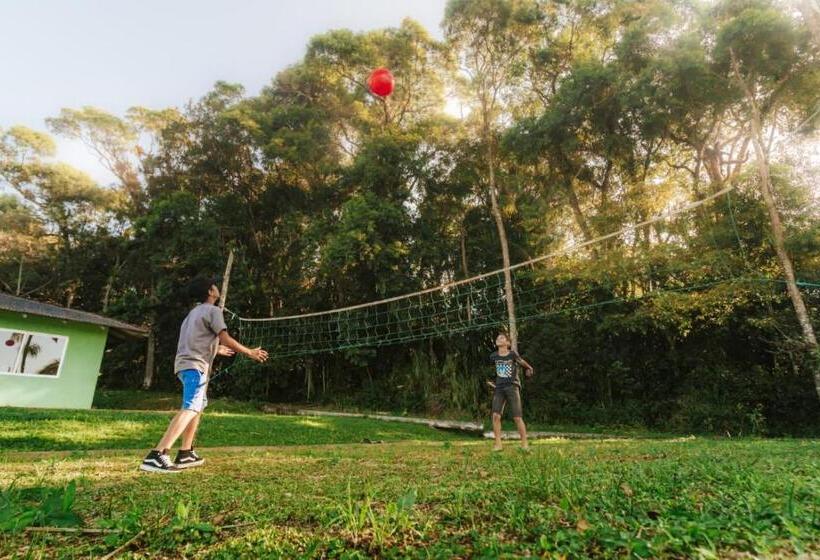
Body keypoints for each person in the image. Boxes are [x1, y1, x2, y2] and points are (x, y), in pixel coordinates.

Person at [140, 276, 269, 473]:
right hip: (195, 366)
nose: (217, 288)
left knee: (198, 406)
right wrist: (249, 352)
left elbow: (193, 340)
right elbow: (224, 337)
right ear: (210, 291)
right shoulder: (213, 310)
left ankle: (185, 453)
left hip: (185, 364)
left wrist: (215, 350)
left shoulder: (192, 314)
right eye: (215, 286)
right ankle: (157, 454)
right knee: (191, 407)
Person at [487, 332, 534, 452]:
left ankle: (524, 444)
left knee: (517, 417)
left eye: (502, 338)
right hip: (499, 388)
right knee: (495, 415)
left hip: (512, 387)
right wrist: (492, 383)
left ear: (507, 343)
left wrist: (529, 368)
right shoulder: (493, 356)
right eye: (497, 338)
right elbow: (491, 372)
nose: (499, 339)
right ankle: (498, 445)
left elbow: (522, 362)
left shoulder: (512, 354)